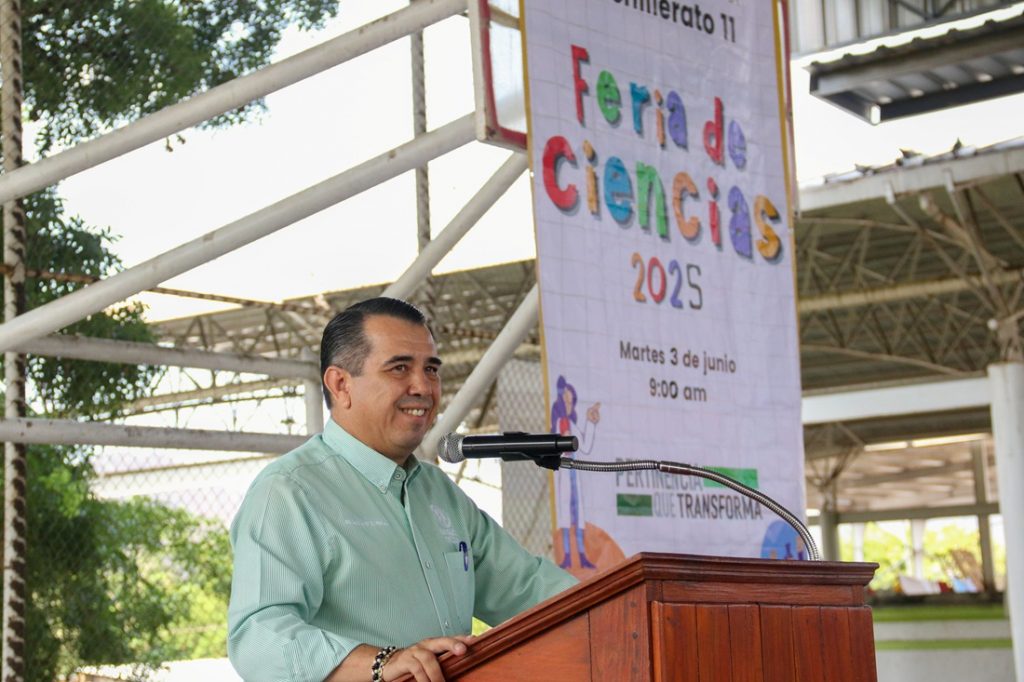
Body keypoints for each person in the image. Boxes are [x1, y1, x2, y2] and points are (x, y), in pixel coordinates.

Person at [227, 297, 576, 682]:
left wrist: (622, 602)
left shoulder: (439, 493)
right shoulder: (290, 493)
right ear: (341, 385)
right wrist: (381, 663)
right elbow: (257, 637)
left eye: (431, 369)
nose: (423, 387)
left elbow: (527, 588)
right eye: (399, 368)